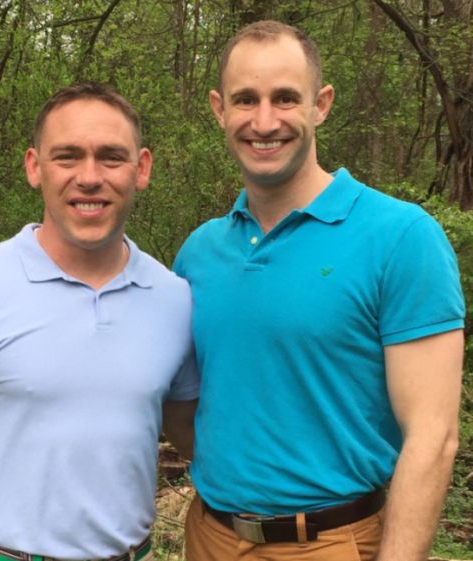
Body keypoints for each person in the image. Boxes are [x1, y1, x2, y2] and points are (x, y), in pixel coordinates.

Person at [173, 20, 465, 561]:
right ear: (219, 109)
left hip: (330, 541)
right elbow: (188, 403)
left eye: (285, 98)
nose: (265, 121)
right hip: (210, 536)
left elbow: (433, 437)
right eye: (245, 99)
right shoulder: (199, 253)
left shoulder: (401, 237)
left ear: (320, 104)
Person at [0, 81, 198, 561]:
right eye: (67, 156)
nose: (89, 177)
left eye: (111, 157)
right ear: (34, 167)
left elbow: (196, 438)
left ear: (142, 168)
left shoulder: (174, 300)